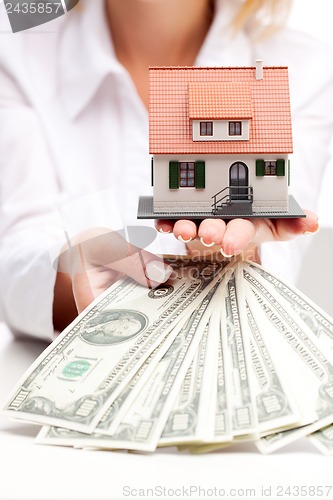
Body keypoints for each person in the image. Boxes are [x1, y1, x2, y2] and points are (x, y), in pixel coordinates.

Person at [0, 0, 331, 342]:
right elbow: (13, 261)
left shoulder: (305, 68)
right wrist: (73, 274)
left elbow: (278, 269)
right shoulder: (17, 52)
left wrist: (231, 254)